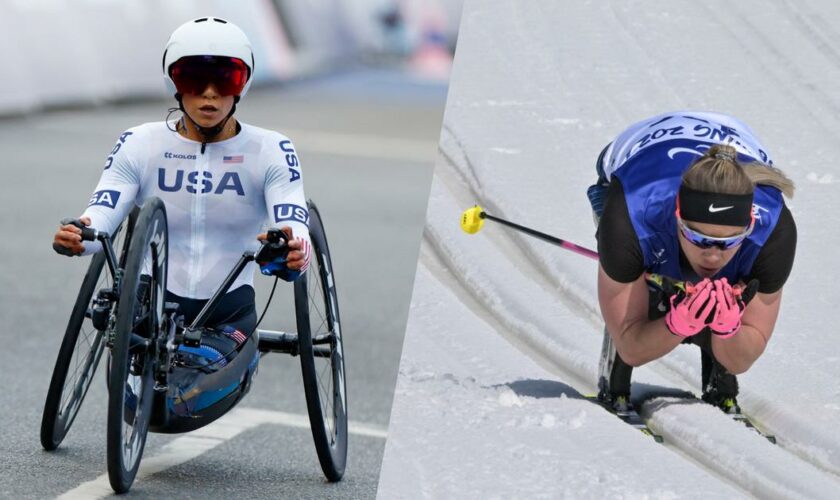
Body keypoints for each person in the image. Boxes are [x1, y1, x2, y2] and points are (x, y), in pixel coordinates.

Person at [51, 17, 311, 417]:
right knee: (147, 402)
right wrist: (81, 235)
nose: (209, 94)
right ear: (175, 83)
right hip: (148, 299)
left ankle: (231, 360)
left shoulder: (271, 149)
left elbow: (293, 215)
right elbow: (103, 209)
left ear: (243, 85)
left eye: (225, 79)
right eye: (193, 78)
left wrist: (292, 247)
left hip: (225, 308)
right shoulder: (141, 142)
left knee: (176, 402)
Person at [587, 111, 797, 414]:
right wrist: (677, 323)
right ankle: (616, 379)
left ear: (751, 224)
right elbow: (631, 347)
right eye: (698, 237)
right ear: (676, 216)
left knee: (727, 282)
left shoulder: (774, 233)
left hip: (729, 135)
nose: (713, 254)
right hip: (637, 157)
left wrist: (728, 329)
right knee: (635, 267)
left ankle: (720, 380)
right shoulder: (631, 218)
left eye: (728, 242)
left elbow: (743, 357)